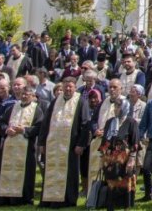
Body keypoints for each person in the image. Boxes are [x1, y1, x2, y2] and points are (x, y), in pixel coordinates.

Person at [0, 81, 43, 206]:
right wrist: (6, 129)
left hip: (26, 147)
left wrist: (24, 130)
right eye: (22, 94)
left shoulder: (37, 110)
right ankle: (3, 199)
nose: (24, 96)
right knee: (5, 171)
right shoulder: (12, 107)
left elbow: (39, 127)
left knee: (25, 173)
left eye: (27, 94)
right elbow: (1, 123)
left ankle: (22, 199)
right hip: (9, 147)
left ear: (32, 96)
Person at [40, 75, 87, 208]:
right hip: (53, 144)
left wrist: (81, 144)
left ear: (75, 88)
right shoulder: (56, 101)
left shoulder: (81, 101)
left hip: (71, 145)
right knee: (51, 171)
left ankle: (68, 200)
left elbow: (85, 124)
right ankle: (49, 199)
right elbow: (46, 122)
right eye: (65, 86)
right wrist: (42, 142)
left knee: (70, 173)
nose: (67, 89)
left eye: (70, 86)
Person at [98, 97, 141, 211]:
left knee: (125, 182)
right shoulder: (110, 122)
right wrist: (102, 158)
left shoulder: (131, 122)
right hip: (111, 160)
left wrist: (131, 159)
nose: (115, 109)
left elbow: (135, 142)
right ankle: (110, 206)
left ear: (124, 108)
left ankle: (126, 206)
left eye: (118, 107)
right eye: (115, 107)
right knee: (111, 182)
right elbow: (105, 141)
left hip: (125, 159)